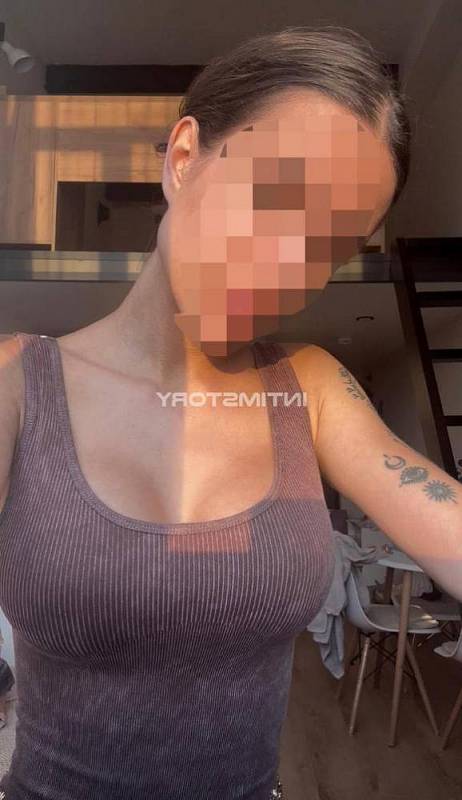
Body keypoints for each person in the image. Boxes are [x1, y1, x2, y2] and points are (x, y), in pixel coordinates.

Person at [3, 21, 456, 800]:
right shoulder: (18, 384)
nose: (289, 266)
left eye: (330, 245)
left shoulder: (307, 389)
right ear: (184, 159)